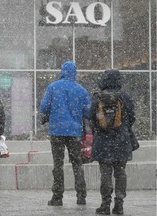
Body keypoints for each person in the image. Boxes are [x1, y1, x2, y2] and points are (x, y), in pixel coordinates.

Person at [39, 61, 91, 206]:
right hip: (74, 132)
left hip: (57, 131)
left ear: (62, 71)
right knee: (77, 164)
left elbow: (43, 107)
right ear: (75, 73)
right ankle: (81, 196)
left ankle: (57, 196)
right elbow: (88, 112)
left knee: (58, 164)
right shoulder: (81, 90)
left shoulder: (53, 87)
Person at [90, 69, 138, 215]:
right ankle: (119, 204)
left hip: (103, 142)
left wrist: (100, 130)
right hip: (121, 142)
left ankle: (105, 204)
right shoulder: (125, 97)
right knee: (120, 173)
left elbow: (92, 118)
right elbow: (132, 117)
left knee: (105, 174)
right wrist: (122, 128)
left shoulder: (97, 97)